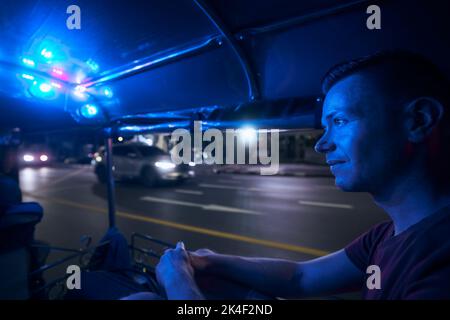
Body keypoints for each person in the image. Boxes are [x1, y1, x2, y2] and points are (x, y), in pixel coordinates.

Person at [155, 51, 450, 300]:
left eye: (340, 120)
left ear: (418, 119)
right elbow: (300, 278)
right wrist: (208, 261)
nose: (322, 143)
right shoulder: (386, 235)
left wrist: (180, 285)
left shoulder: (440, 259)